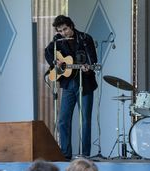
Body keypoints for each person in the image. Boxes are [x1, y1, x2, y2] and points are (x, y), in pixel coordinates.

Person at [44, 15, 98, 160]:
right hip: (68, 84)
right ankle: (65, 153)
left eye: (65, 29)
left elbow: (93, 59)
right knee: (63, 120)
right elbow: (47, 52)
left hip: (85, 84)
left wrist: (89, 67)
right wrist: (54, 62)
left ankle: (85, 154)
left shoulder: (85, 39)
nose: (63, 33)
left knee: (85, 120)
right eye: (60, 30)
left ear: (71, 26)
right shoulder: (58, 40)